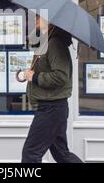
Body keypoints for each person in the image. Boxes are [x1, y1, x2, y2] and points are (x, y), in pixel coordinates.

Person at [21, 15, 83, 163]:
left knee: (31, 154)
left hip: (51, 109)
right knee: (62, 154)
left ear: (50, 22)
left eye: (39, 17)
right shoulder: (47, 41)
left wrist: (34, 77)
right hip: (52, 108)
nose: (35, 20)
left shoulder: (55, 43)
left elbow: (61, 77)